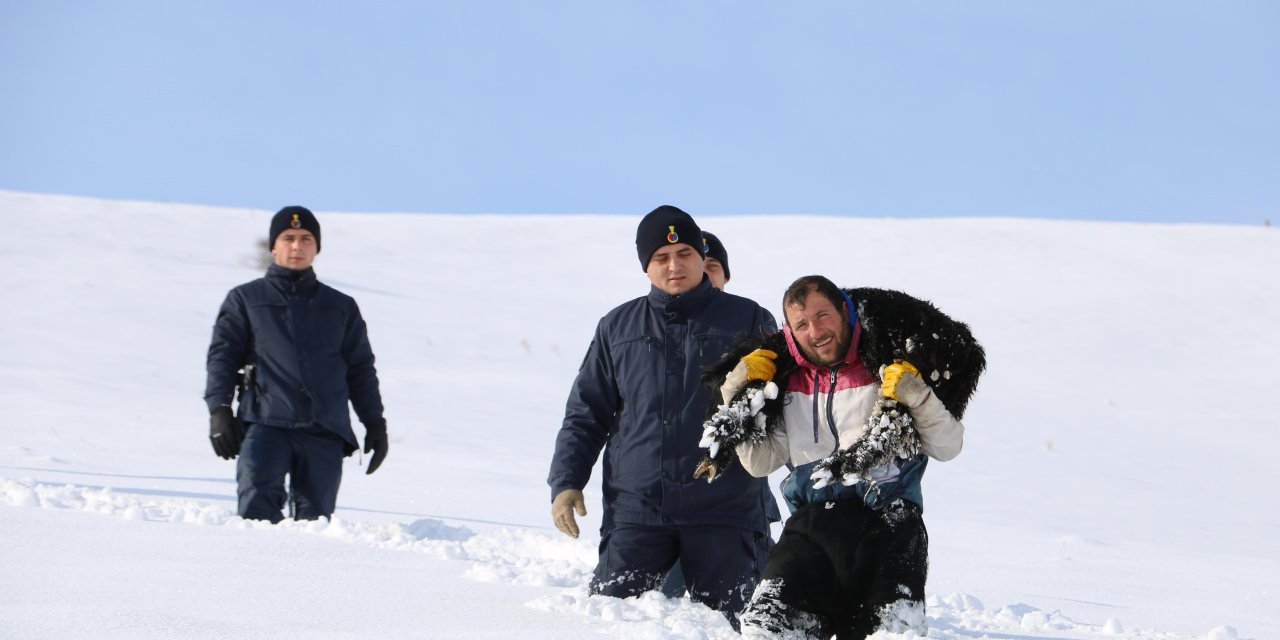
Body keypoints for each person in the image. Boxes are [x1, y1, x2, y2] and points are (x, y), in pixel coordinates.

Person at [707, 275, 982, 639]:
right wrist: (736, 388)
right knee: (765, 631)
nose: (815, 331)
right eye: (801, 323)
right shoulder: (784, 381)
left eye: (823, 316)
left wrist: (917, 395)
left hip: (890, 526)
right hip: (811, 530)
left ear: (846, 312)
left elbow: (948, 446)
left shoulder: (886, 364)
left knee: (891, 634)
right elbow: (761, 463)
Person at [547, 205, 777, 623]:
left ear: (700, 254)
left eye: (685, 253)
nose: (675, 265)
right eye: (661, 258)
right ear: (646, 267)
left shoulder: (748, 318)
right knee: (610, 623)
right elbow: (586, 413)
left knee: (732, 628)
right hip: (637, 509)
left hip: (724, 508)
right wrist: (566, 481)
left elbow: (781, 405)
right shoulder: (617, 326)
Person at [204, 206, 389, 523]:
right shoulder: (246, 299)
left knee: (315, 525)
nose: (296, 246)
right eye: (288, 238)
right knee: (255, 516)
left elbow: (360, 369)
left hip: (324, 429)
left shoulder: (340, 307)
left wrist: (374, 422)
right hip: (265, 424)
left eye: (306, 239)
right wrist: (219, 409)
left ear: (317, 247)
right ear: (273, 246)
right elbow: (222, 357)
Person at [658, 230, 781, 600]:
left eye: (714, 266)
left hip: (738, 503)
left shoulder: (751, 321)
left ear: (725, 275)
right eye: (702, 266)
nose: (706, 275)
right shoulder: (657, 329)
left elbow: (780, 401)